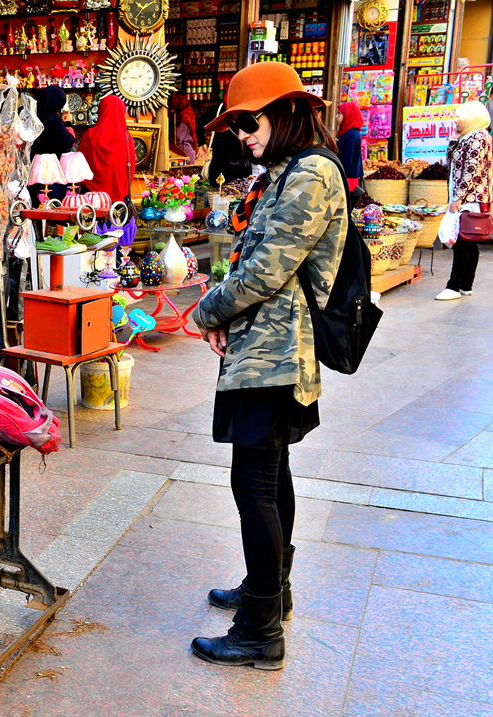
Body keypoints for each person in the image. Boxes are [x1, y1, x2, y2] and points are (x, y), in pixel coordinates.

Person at [189, 62, 347, 670]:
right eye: (236, 127)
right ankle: (270, 591)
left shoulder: (311, 174)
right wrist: (226, 318)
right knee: (270, 475)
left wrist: (206, 311)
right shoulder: (289, 170)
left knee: (253, 482)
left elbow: (266, 270)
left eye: (248, 123)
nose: (242, 136)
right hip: (264, 348)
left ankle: (259, 631)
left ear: (284, 113)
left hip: (279, 353)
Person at [435, 101, 492, 301]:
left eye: (459, 117)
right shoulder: (469, 136)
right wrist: (454, 140)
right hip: (465, 197)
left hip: (469, 198)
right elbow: (451, 161)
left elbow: (471, 170)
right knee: (469, 240)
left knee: (460, 241)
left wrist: (458, 198)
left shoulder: (478, 138)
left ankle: (454, 287)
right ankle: (466, 285)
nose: (455, 120)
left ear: (471, 118)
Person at [78, 94, 133, 203]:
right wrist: (123, 189)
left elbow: (80, 164)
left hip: (91, 196)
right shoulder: (126, 137)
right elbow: (130, 169)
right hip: (119, 196)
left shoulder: (90, 135)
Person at [29, 85, 75, 204]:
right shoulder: (54, 121)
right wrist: (67, 123)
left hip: (32, 173)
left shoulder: (32, 117)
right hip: (52, 175)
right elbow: (68, 142)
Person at [336, 102, 364, 192]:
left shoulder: (350, 135)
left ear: (347, 115)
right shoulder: (352, 132)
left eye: (339, 113)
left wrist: (340, 176)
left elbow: (348, 159)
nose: (336, 116)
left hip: (348, 179)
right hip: (350, 177)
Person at [169, 93, 198, 161]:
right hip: (186, 152)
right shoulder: (185, 115)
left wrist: (168, 134)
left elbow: (178, 137)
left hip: (185, 153)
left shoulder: (184, 118)